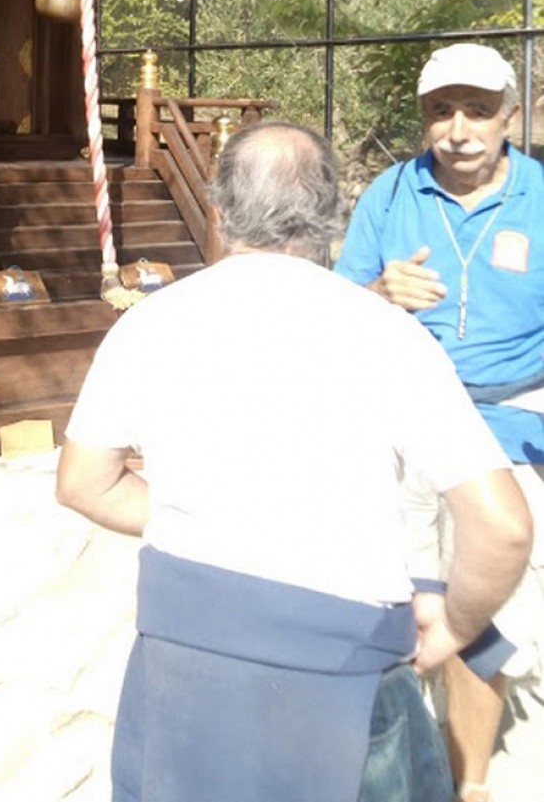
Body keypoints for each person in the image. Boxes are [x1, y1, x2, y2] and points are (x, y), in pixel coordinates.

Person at [57, 120, 531, 802]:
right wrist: (456, 625)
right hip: (342, 669)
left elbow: (83, 482)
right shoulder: (387, 334)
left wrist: (215, 514)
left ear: (219, 207)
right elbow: (503, 526)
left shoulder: (149, 321)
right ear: (333, 212)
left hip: (181, 659)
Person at [336, 42, 544, 800]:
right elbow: (335, 309)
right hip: (400, 417)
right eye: (440, 111)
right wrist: (377, 293)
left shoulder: (540, 200)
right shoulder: (390, 195)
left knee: (479, 607)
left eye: (477, 111)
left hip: (507, 424)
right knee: (386, 595)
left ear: (509, 117)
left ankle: (470, 784)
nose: (457, 131)